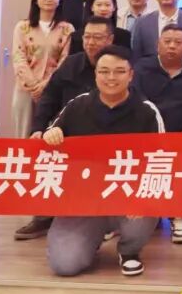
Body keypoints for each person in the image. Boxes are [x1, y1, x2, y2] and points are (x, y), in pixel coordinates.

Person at [43, 46, 163, 277]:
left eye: (119, 71)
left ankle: (129, 251)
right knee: (64, 265)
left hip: (126, 196)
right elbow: (52, 134)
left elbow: (160, 161)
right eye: (104, 71)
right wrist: (52, 133)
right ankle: (92, 239)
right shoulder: (77, 105)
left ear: (131, 75)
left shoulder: (147, 112)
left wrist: (141, 197)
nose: (111, 78)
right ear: (95, 74)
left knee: (147, 206)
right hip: (83, 200)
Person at [13, 16, 117, 241]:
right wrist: (38, 128)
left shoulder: (118, 67)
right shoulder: (71, 64)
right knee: (42, 149)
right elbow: (49, 98)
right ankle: (44, 217)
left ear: (110, 39)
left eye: (97, 37)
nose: (91, 42)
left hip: (107, 139)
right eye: (87, 37)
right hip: (67, 135)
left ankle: (106, 219)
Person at [133, 24, 182, 244]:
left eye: (178, 42)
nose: (172, 46)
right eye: (167, 41)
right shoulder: (142, 69)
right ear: (158, 45)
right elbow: (137, 102)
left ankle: (179, 217)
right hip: (148, 135)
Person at [11, 0, 74, 140]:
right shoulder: (22, 27)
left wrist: (46, 85)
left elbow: (64, 60)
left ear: (60, 0)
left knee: (48, 133)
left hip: (53, 89)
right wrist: (34, 86)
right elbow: (18, 58)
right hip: (26, 90)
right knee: (23, 134)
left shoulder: (67, 29)